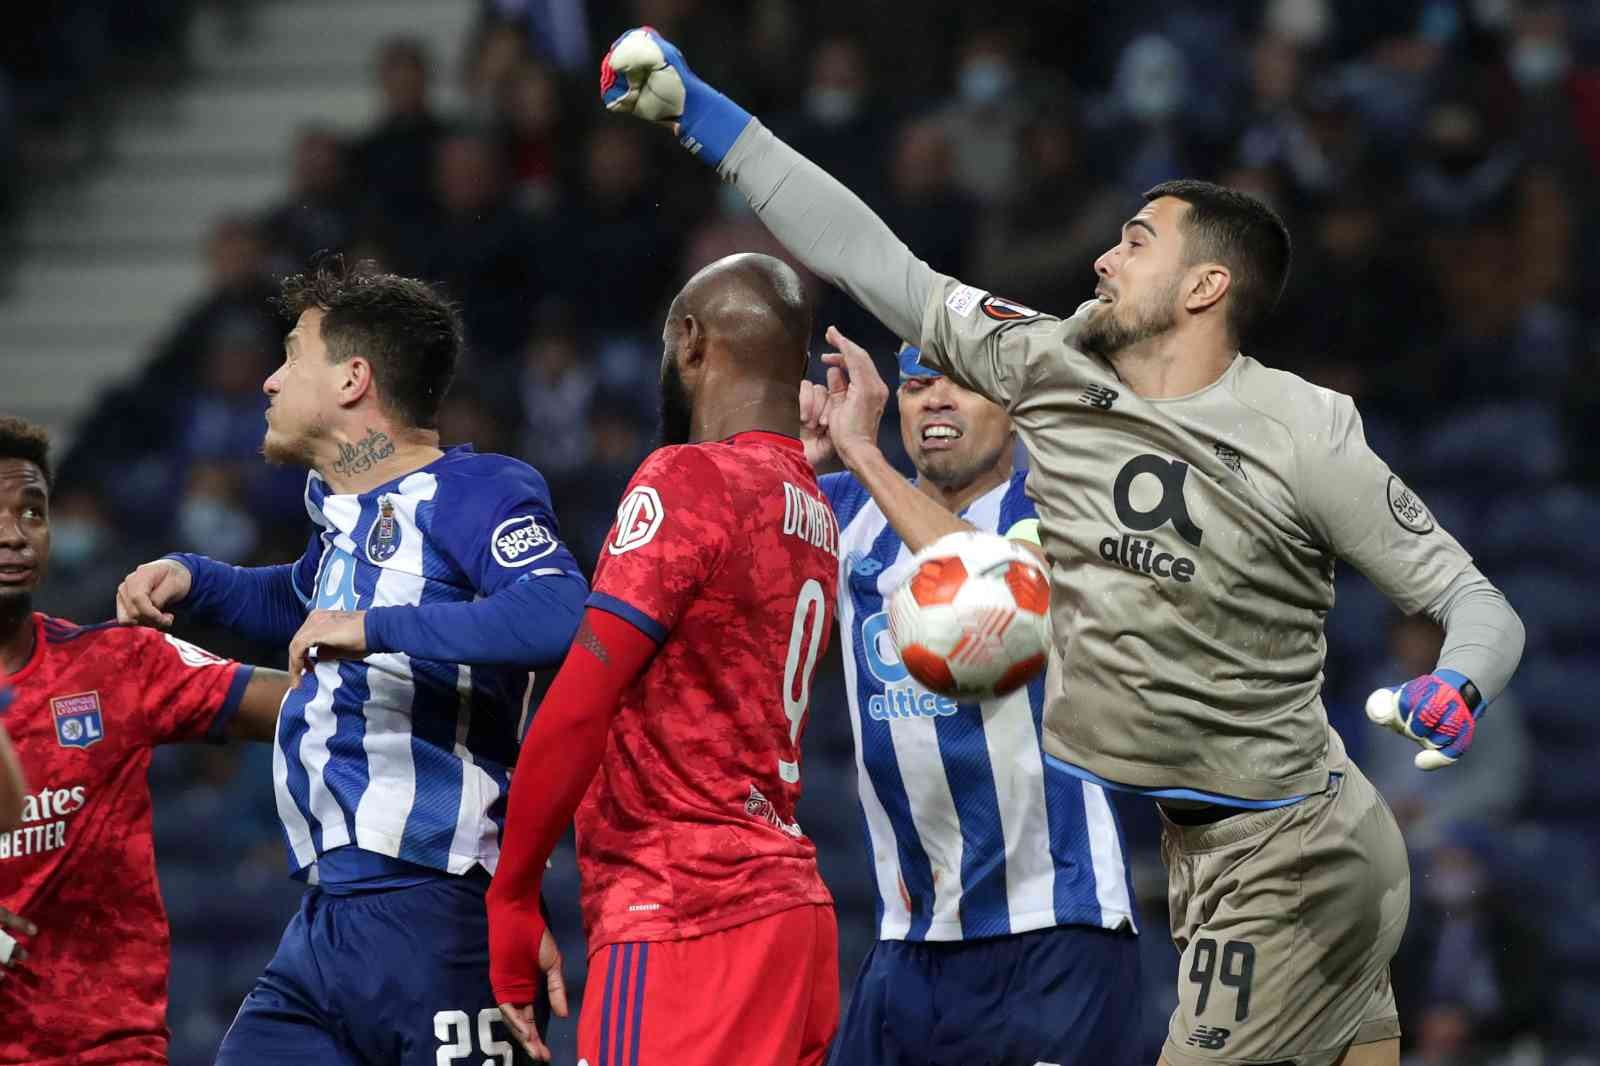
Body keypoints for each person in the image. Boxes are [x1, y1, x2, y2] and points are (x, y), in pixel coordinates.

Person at [600, 30, 1528, 1066]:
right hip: (1196, 853)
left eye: (1135, 242)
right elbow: (876, 261)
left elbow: (1476, 601)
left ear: (1203, 288)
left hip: (1293, 845)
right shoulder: (1050, 367)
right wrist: (705, 117)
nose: (1102, 255)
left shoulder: (1305, 431)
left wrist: (1462, 682)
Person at [115, 257, 588, 1065]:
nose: (268, 381)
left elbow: (558, 613)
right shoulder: (342, 517)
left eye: (292, 356)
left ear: (351, 380)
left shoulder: (473, 491)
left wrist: (374, 628)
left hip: (435, 910)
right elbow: (299, 606)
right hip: (325, 923)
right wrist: (195, 577)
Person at [486, 253, 840, 1066]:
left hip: (684, 913)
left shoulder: (687, 478)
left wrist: (511, 897)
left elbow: (579, 703)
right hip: (792, 918)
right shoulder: (814, 505)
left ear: (690, 342)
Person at [801, 338, 1143, 1064]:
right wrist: (780, 457)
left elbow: (998, 580)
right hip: (911, 938)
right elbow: (694, 537)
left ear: (1016, 408)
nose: (938, 400)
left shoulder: (1063, 501)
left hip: (1057, 926)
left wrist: (860, 450)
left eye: (966, 384)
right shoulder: (846, 514)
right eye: (919, 385)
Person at [0, 415, 290, 1064]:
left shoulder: (118, 665)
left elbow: (305, 705)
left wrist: (426, 646)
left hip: (107, 1048)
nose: (13, 535)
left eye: (32, 511)